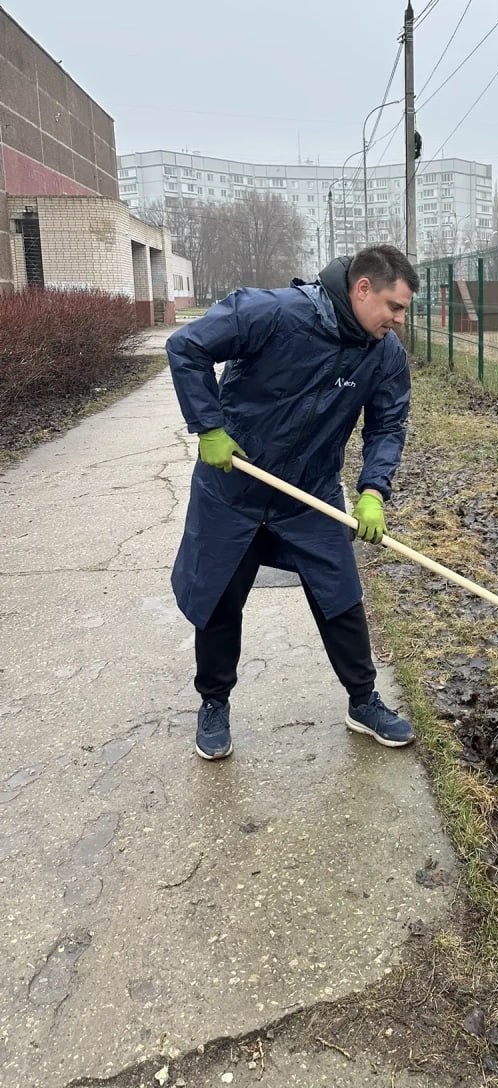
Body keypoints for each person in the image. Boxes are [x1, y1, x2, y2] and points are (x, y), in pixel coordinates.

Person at [165, 244, 419, 760]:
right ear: (362, 288)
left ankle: (363, 701)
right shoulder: (274, 313)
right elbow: (186, 346)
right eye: (394, 307)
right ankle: (214, 702)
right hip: (233, 487)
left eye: (403, 311)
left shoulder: (384, 354)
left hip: (309, 493)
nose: (398, 320)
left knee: (341, 596)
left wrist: (373, 491)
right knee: (218, 598)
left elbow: (388, 424)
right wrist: (208, 426)